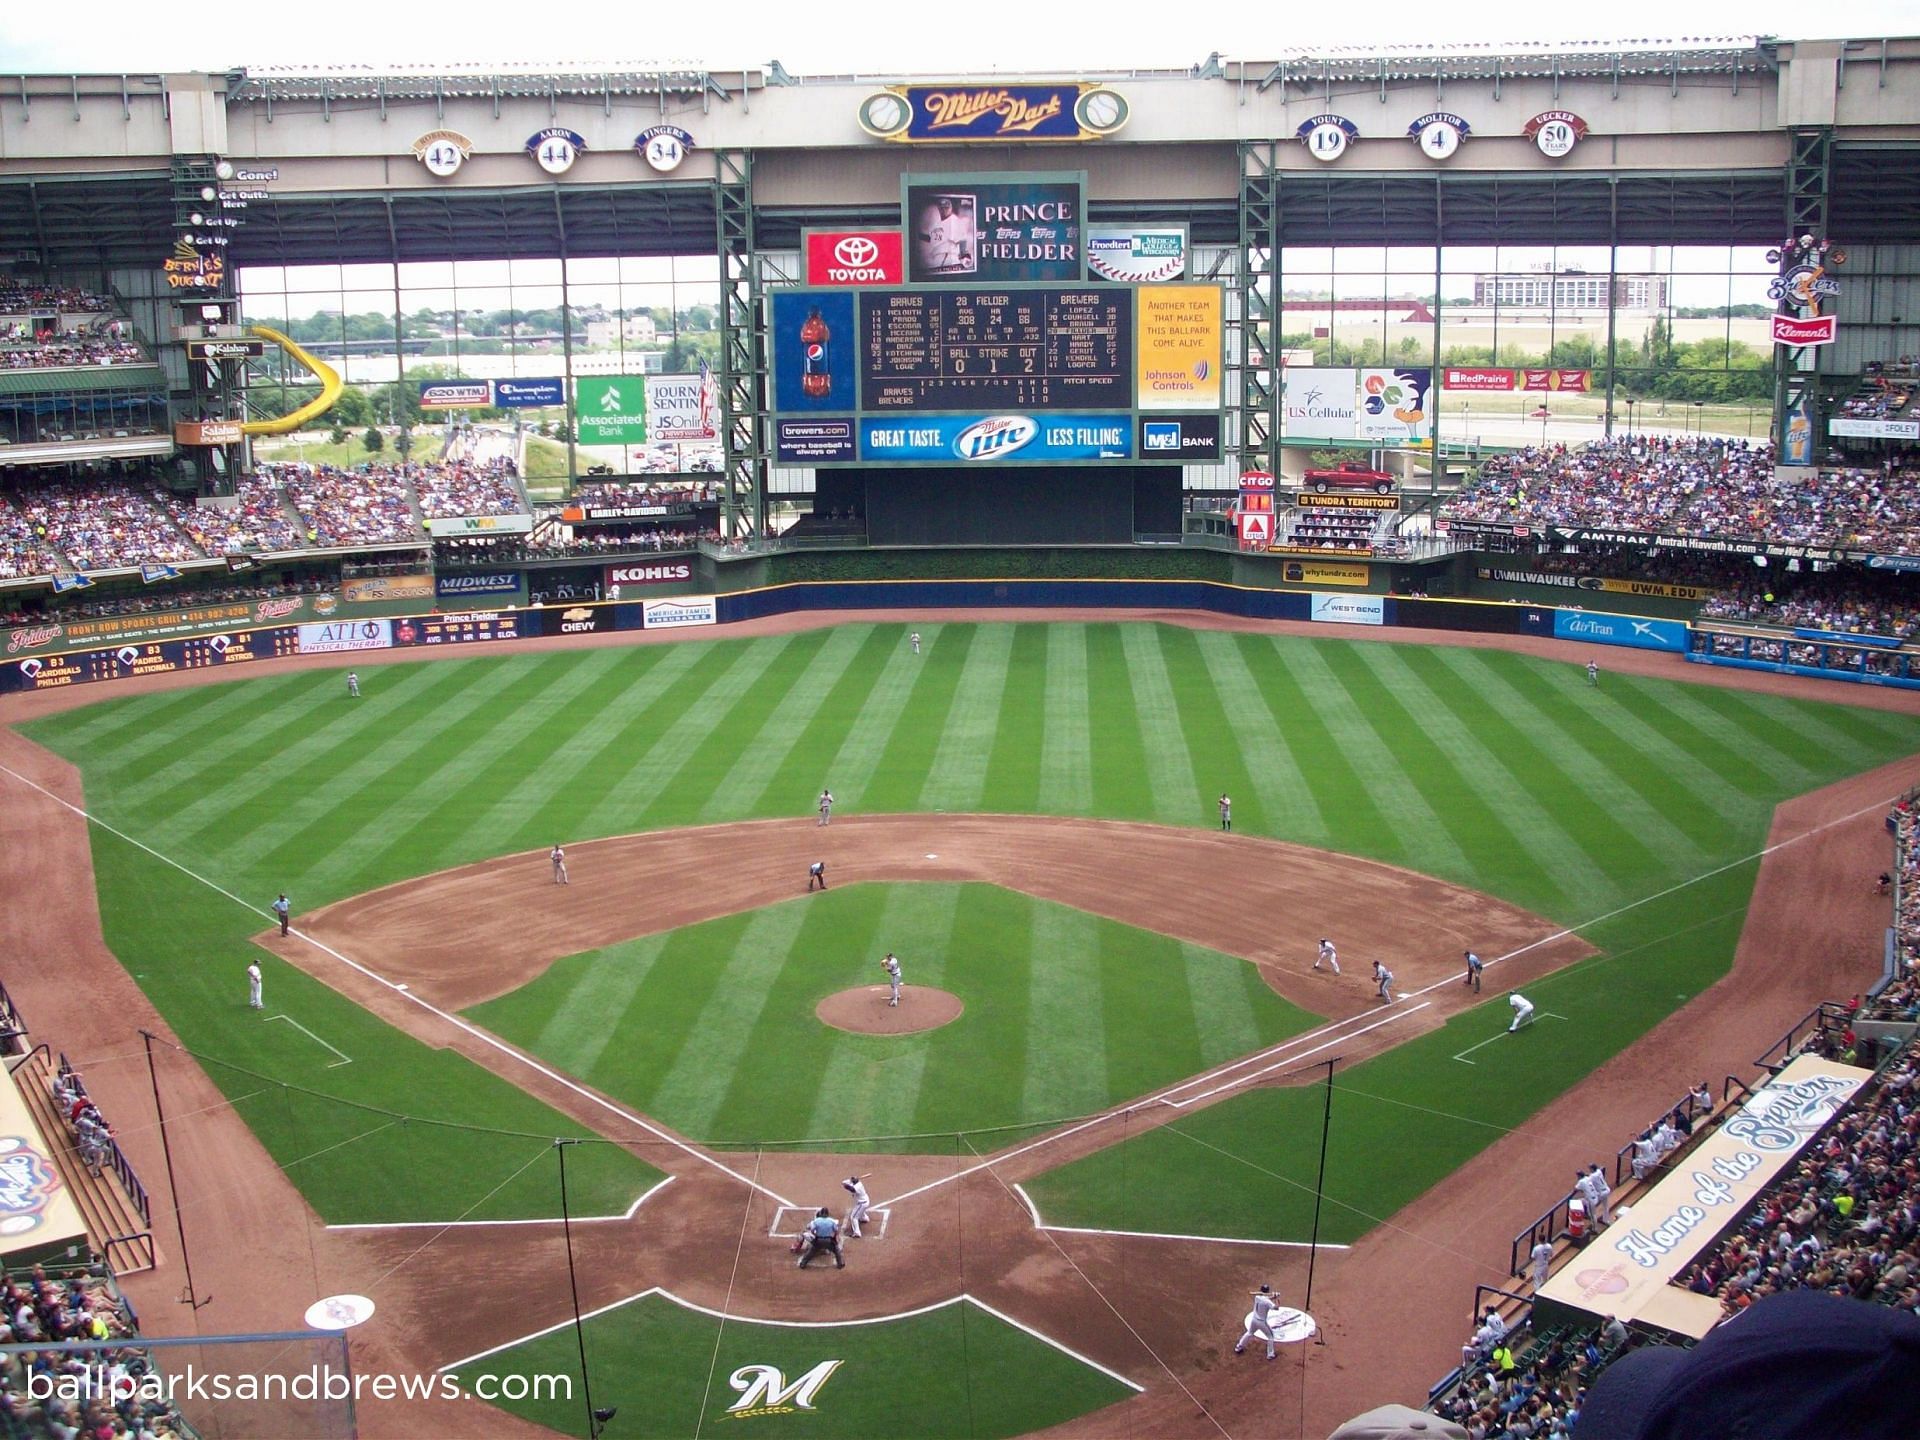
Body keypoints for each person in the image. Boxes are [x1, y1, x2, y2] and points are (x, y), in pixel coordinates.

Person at [1232, 1283, 1282, 1360]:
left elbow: (1266, 1299)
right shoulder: (1267, 1302)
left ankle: (1239, 1347)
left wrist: (1274, 1296)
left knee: (1249, 1333)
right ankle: (1270, 1354)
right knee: (1271, 1336)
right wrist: (1278, 1298)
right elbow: (1276, 1308)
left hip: (1254, 1320)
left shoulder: (1257, 1297)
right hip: (1262, 1322)